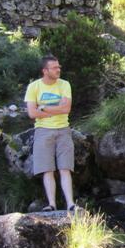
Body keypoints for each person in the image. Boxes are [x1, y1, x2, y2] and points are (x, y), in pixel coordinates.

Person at [25, 55, 76, 212]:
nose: (58, 70)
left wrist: (43, 108)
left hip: (63, 129)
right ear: (45, 71)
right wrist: (56, 109)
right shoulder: (33, 87)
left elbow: (66, 109)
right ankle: (52, 204)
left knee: (65, 168)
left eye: (59, 67)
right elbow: (32, 113)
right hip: (42, 131)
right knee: (47, 169)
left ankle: (70, 204)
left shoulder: (65, 84)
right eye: (54, 68)